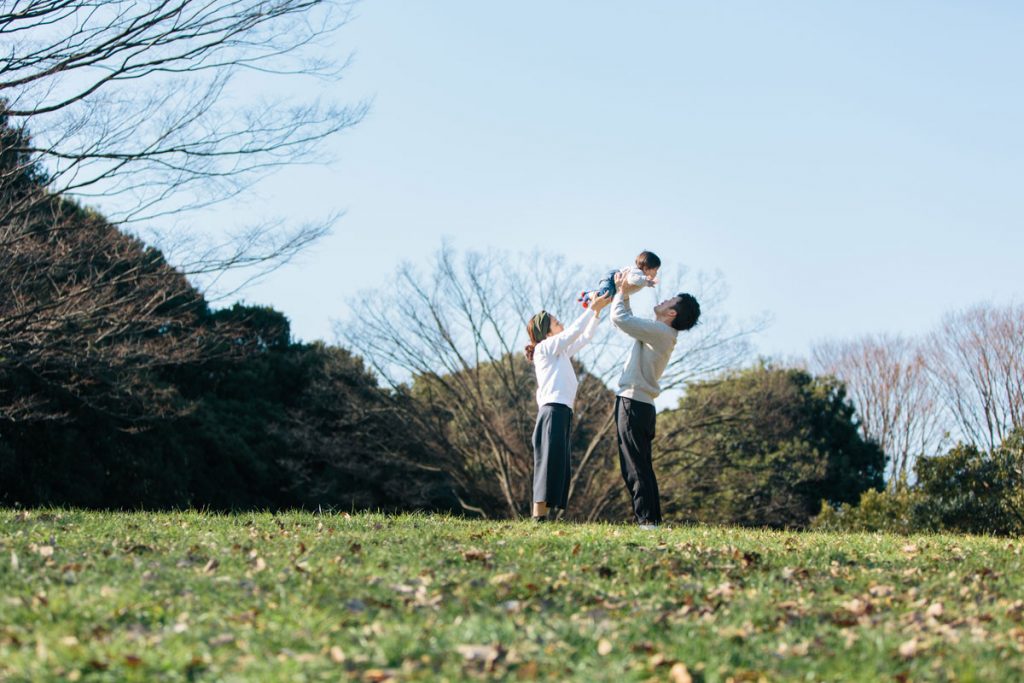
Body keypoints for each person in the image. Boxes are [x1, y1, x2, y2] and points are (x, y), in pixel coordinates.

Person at [611, 271, 700, 529]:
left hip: (633, 403)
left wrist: (620, 291)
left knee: (635, 468)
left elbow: (620, 319)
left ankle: (647, 521)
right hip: (640, 404)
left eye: (670, 300)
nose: (663, 301)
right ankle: (650, 520)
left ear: (672, 314)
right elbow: (629, 320)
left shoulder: (661, 332)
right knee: (639, 466)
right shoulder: (659, 333)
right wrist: (624, 293)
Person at [524, 294, 612, 521]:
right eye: (555, 322)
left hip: (562, 411)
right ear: (547, 332)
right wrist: (590, 307)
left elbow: (584, 337)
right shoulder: (544, 348)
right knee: (547, 461)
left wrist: (596, 312)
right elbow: (574, 331)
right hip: (552, 411)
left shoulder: (559, 352)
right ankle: (538, 517)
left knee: (556, 463)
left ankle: (542, 516)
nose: (560, 323)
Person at [577, 250, 661, 309]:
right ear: (646, 269)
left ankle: (586, 297)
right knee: (605, 294)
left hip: (614, 282)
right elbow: (633, 279)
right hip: (612, 278)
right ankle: (588, 295)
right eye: (655, 270)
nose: (656, 273)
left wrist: (646, 282)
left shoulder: (640, 276)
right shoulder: (638, 272)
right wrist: (647, 281)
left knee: (607, 299)